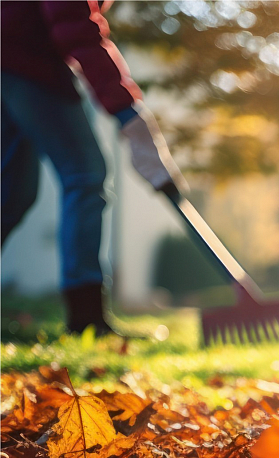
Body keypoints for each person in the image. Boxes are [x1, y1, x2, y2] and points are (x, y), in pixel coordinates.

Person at [1, 0, 184, 334]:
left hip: (11, 54)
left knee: (11, 194)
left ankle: (85, 314)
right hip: (26, 57)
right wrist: (126, 110)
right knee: (84, 175)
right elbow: (74, 25)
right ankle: (86, 317)